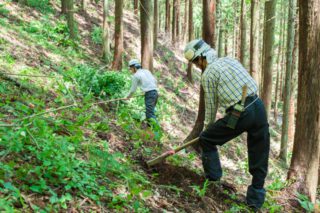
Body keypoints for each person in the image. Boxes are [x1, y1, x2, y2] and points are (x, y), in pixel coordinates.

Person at [184, 39, 270, 210]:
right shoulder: (230, 59)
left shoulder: (208, 74)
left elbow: (211, 106)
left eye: (195, 62)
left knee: (207, 140)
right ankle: (255, 202)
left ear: (201, 58)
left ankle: (213, 181)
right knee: (259, 151)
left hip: (239, 113)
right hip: (258, 106)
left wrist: (208, 128)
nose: (196, 66)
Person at [127, 59, 159, 126]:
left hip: (150, 94)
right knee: (150, 111)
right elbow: (155, 81)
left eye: (131, 68)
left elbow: (133, 89)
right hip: (155, 92)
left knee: (150, 113)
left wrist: (128, 97)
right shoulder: (146, 71)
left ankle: (157, 130)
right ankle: (150, 129)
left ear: (134, 67)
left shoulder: (136, 76)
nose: (131, 70)